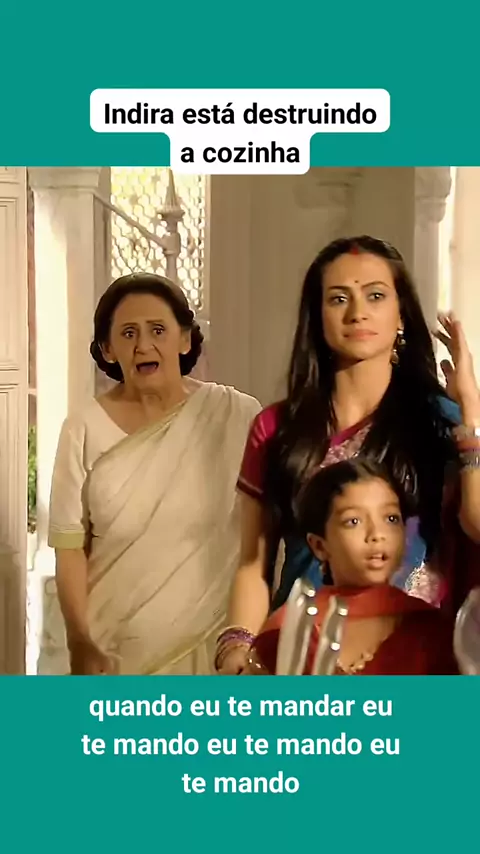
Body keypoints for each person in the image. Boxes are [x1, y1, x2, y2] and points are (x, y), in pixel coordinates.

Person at [217, 235, 480, 674]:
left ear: (401, 314)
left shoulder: (443, 422)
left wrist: (470, 414)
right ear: (317, 316)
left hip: (417, 655)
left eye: (375, 296)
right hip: (303, 653)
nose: (358, 312)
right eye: (339, 298)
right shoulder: (277, 429)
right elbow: (253, 563)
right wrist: (236, 649)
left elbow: (476, 523)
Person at [48, 272, 261, 675]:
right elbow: (69, 547)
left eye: (158, 330)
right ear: (108, 349)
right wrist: (80, 640)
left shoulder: (236, 415)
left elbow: (264, 532)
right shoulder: (83, 428)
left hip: (216, 649)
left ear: (185, 339)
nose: (143, 345)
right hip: (113, 654)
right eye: (128, 333)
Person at [242, 459, 459, 676]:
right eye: (353, 521)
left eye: (391, 518)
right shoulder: (288, 632)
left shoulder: (434, 632)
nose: (376, 534)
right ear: (319, 545)